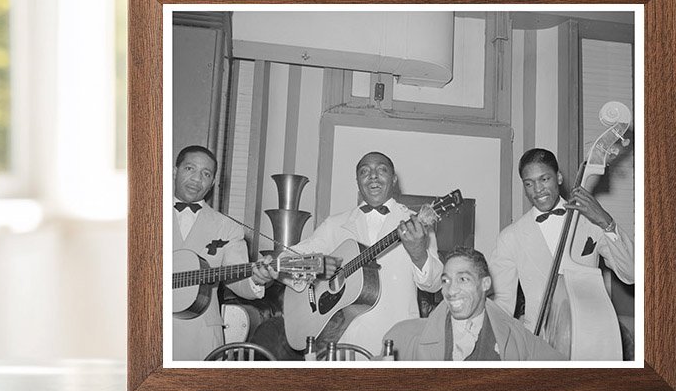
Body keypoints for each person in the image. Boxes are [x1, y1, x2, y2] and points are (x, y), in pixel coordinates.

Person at [254, 151, 443, 353]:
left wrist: (418, 253)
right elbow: (293, 255)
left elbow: (434, 284)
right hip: (342, 342)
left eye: (382, 170)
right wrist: (279, 267)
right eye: (365, 171)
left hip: (398, 342)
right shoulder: (335, 225)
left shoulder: (416, 224)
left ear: (394, 180)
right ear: (357, 182)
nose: (373, 176)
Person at [489, 147, 634, 360]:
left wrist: (605, 221)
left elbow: (630, 272)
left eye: (544, 179)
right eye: (529, 183)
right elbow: (501, 302)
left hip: (591, 339)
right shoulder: (510, 237)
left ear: (558, 177)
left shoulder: (590, 221)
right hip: (538, 343)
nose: (537, 190)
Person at [170, 144, 268, 360]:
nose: (197, 179)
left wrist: (258, 279)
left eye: (206, 174)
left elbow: (237, 279)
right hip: (143, 327)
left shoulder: (227, 227)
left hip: (199, 334)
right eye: (190, 169)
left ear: (213, 182)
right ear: (175, 171)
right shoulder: (142, 214)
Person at [383, 248, 563, 361]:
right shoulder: (403, 337)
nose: (451, 291)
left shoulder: (516, 336)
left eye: (463, 279)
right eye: (446, 281)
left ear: (485, 284)